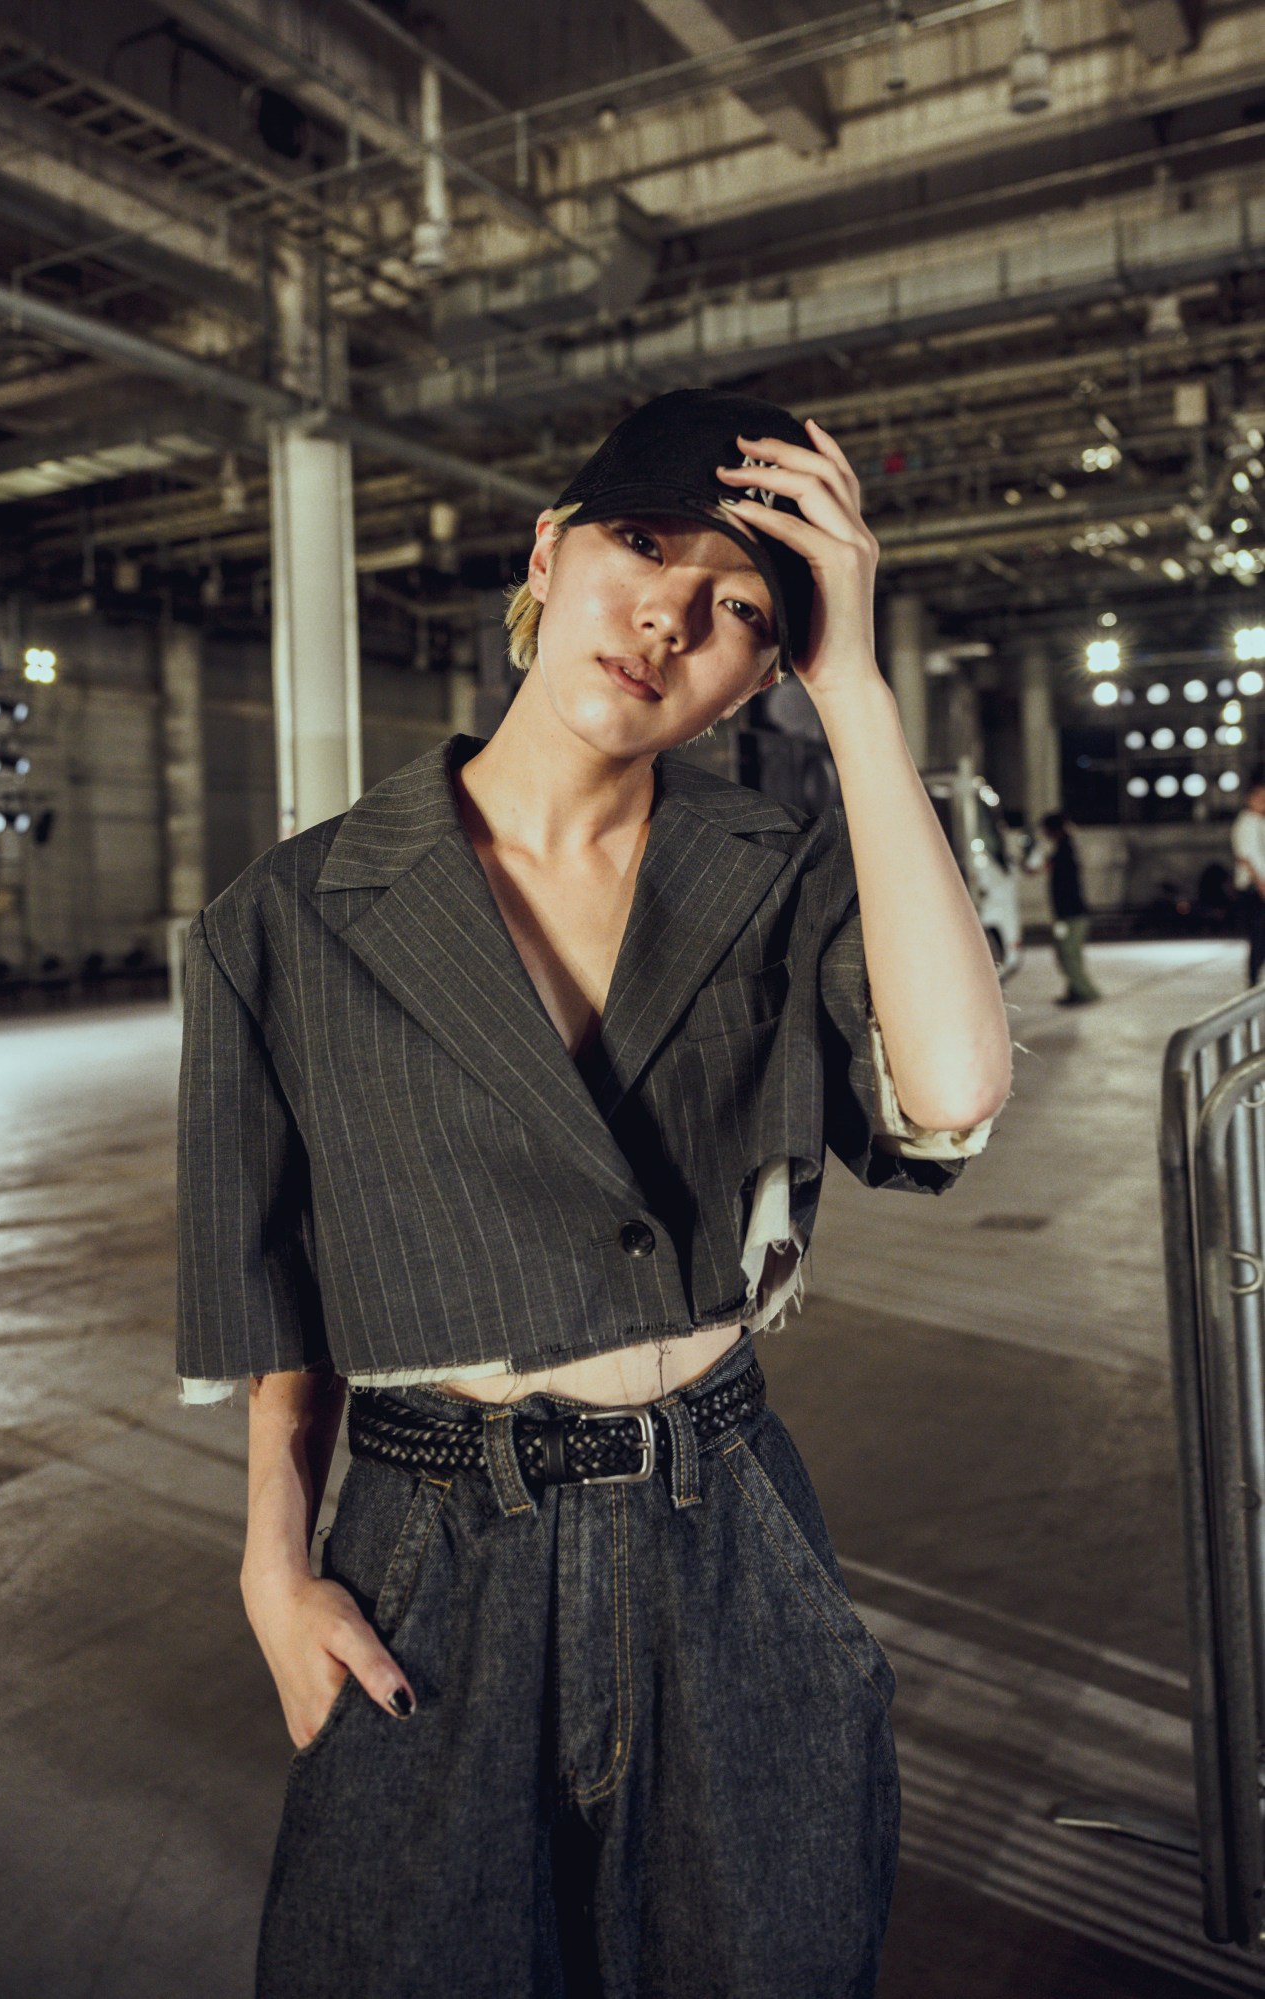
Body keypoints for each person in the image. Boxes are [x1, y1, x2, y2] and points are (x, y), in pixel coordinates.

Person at [174, 388, 1012, 1998]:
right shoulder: (284, 915)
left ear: (757, 673)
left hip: (724, 1525)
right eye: (638, 544)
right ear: (547, 557)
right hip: (433, 1551)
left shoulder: (778, 870)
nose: (666, 616)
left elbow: (957, 1087)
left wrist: (855, 691)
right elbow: (263, 1277)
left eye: (740, 610)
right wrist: (275, 1556)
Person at [1035, 808, 1102, 1005]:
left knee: (1069, 954)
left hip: (1071, 914)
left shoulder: (1065, 850)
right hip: (1070, 913)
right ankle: (1075, 990)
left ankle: (1086, 992)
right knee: (1068, 954)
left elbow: (1045, 870)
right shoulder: (1064, 848)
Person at [1230, 778, 1265, 984]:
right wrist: (1260, 885)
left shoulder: (1258, 822)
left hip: (1260, 884)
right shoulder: (1246, 823)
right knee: (1259, 936)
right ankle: (1253, 980)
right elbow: (1245, 858)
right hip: (1254, 887)